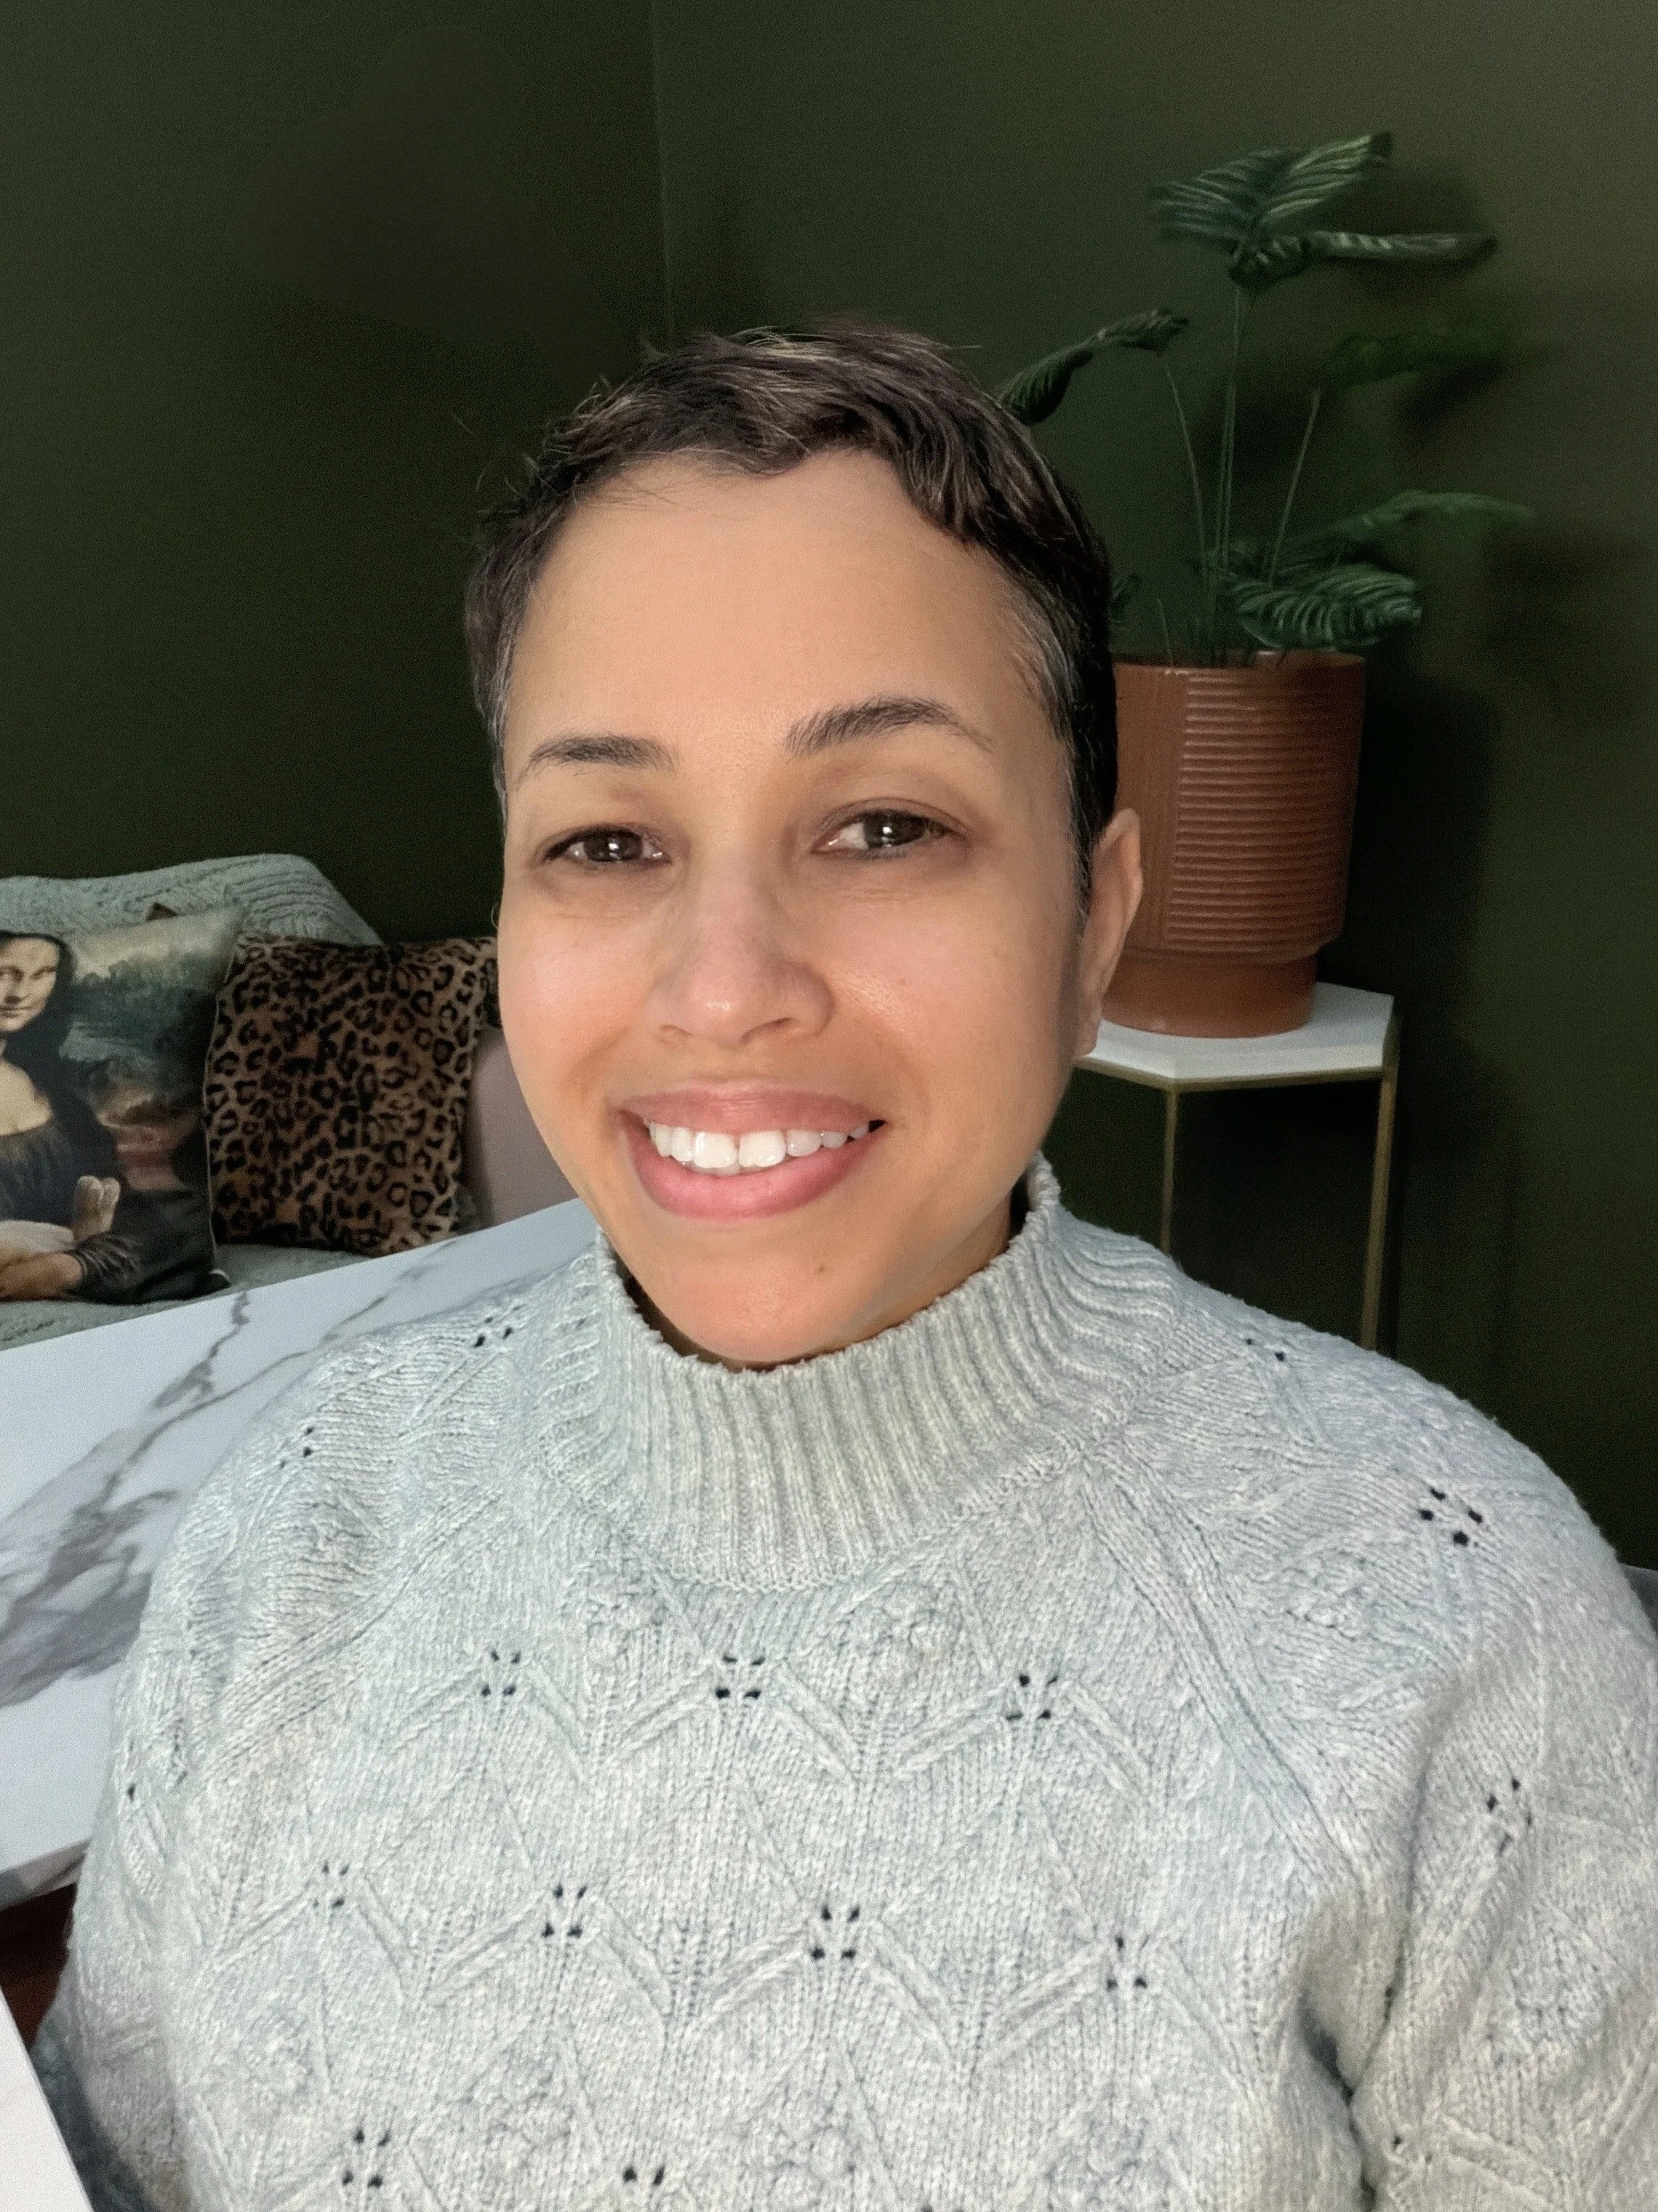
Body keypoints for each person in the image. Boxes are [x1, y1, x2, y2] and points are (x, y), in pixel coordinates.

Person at [36, 326, 1658, 2208]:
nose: (725, 987)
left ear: (1095, 922)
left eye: (887, 825)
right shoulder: (299, 1531)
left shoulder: (1460, 1637)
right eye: (608, 838)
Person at [0, 934, 137, 1300]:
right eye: (4, 974)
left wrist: (89, 1244)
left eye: (41, 974)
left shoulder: (56, 1087)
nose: (20, 993)